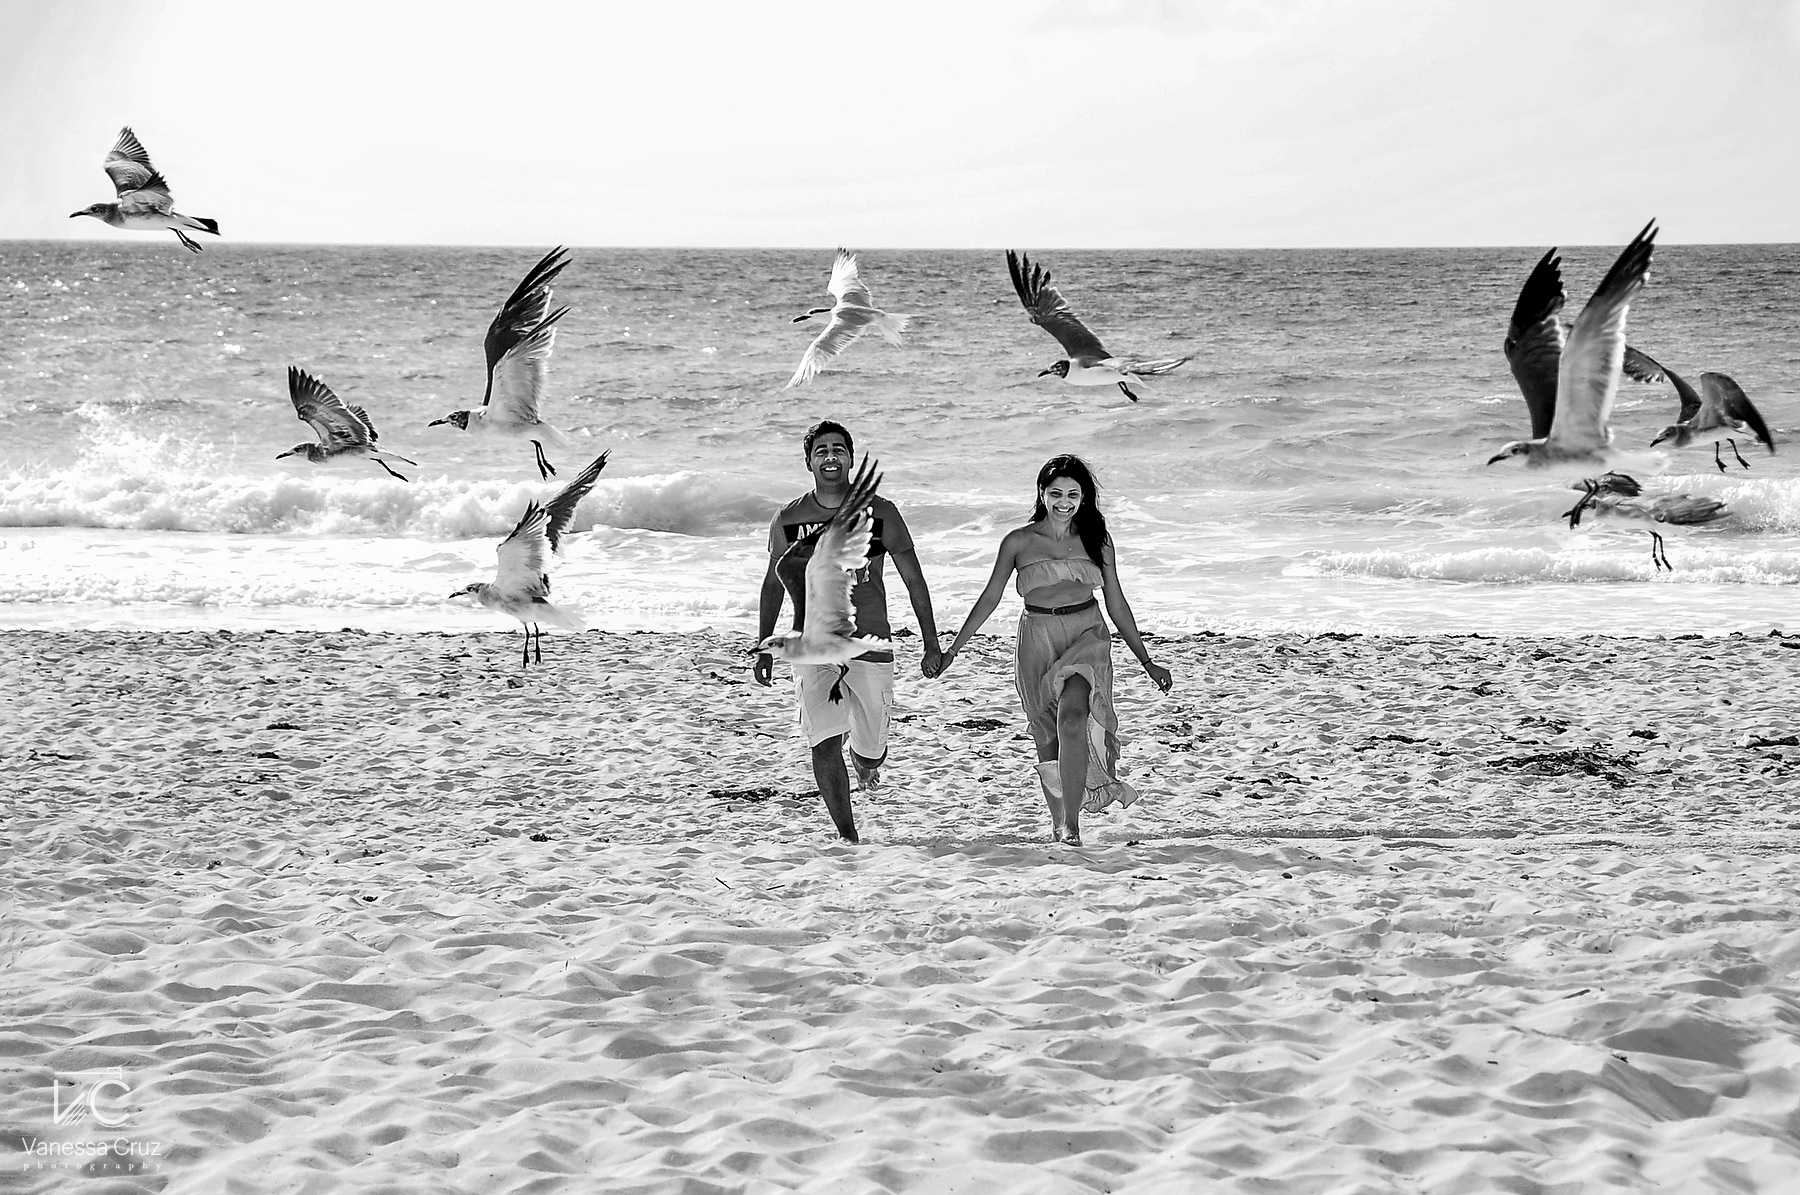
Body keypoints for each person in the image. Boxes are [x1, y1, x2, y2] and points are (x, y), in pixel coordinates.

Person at [938, 454, 1172, 846]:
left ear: (1084, 498)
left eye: (1073, 495)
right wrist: (953, 651)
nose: (1064, 502)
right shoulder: (1018, 541)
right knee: (1047, 735)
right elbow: (989, 598)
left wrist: (1146, 659)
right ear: (1042, 494)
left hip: (1086, 635)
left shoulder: (1097, 539)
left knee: (1073, 718)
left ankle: (1073, 824)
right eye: (1056, 493)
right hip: (1037, 638)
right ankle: (1059, 821)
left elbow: (1116, 603)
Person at [754, 420, 942, 843]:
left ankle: (866, 760)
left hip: (869, 641)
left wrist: (931, 643)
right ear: (808, 462)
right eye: (821, 451)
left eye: (839, 449)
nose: (831, 457)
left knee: (872, 750)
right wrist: (764, 646)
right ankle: (848, 835)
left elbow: (914, 578)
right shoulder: (789, 518)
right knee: (823, 741)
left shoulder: (881, 512)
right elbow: (772, 584)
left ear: (851, 458)